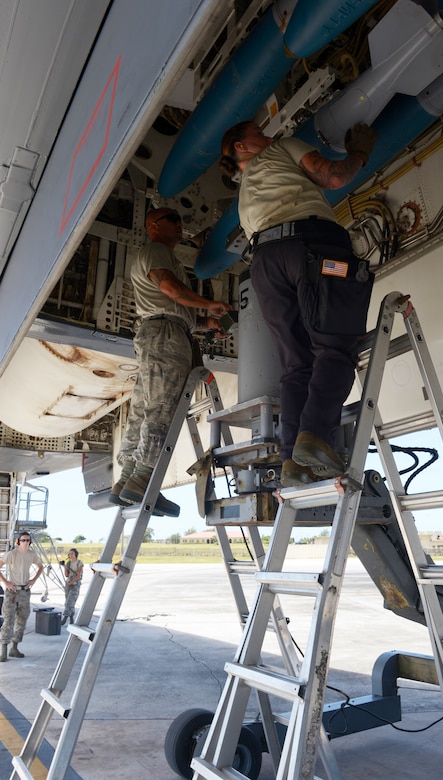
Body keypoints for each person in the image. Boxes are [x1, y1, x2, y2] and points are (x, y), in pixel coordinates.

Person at [219, 121, 375, 486]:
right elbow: (333, 177)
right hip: (311, 246)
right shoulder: (282, 148)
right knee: (334, 348)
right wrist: (361, 151)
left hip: (264, 266)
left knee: (296, 366)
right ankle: (317, 437)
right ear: (242, 146)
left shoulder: (245, 195)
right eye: (260, 132)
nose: (268, 134)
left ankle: (293, 461)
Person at [109, 207, 231, 516]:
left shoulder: (160, 254)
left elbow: (172, 304)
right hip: (165, 334)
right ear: (153, 225)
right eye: (172, 219)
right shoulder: (155, 251)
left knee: (143, 409)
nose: (180, 224)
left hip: (161, 331)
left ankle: (126, 481)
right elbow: (170, 290)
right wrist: (210, 303)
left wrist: (206, 322)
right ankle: (143, 479)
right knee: (161, 409)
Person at [0, 531, 44, 661]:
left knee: (22, 620)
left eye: (27, 540)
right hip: (12, 592)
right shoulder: (11, 554)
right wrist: (5, 582)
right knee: (8, 620)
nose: (25, 542)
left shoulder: (32, 555)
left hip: (25, 592)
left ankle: (14, 647)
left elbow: (40, 567)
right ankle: (3, 650)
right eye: (23, 540)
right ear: (18, 541)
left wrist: (34, 580)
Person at [61, 548, 83, 626]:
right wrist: (64, 566)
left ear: (76, 554)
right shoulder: (69, 563)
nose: (70, 555)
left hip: (75, 583)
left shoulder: (79, 563)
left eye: (72, 553)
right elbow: (67, 575)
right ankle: (71, 618)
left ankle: (65, 617)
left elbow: (78, 575)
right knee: (68, 601)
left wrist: (71, 582)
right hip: (69, 582)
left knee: (70, 601)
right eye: (69, 554)